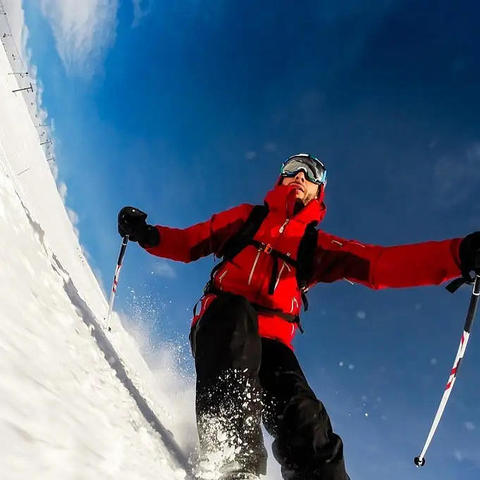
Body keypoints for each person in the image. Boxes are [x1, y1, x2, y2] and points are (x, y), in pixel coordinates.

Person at [118, 154, 480, 480]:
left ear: (320, 190)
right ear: (280, 179)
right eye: (291, 168)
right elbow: (188, 242)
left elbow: (380, 264)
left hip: (273, 345)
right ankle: (233, 462)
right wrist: (146, 234)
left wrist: (459, 255)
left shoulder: (315, 245)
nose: (300, 175)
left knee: (304, 415)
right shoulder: (248, 218)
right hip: (223, 323)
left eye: (312, 172)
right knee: (235, 316)